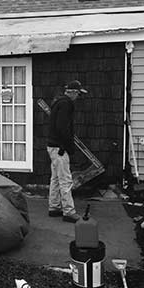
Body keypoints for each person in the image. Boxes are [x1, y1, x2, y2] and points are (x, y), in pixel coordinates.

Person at [47, 80, 87, 223]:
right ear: (73, 92)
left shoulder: (58, 102)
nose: (78, 97)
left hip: (52, 146)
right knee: (65, 180)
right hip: (59, 148)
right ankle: (69, 212)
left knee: (56, 178)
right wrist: (67, 146)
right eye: (78, 93)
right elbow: (63, 127)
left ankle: (54, 207)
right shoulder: (66, 104)